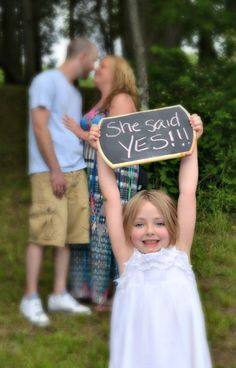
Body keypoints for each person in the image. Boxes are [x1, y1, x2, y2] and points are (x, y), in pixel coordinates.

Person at [90, 114, 212, 367]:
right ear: (127, 228)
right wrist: (101, 151)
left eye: (159, 223)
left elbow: (188, 191)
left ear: (173, 225)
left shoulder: (180, 254)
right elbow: (112, 198)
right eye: (139, 224)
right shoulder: (127, 259)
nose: (149, 232)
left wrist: (191, 143)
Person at [19, 37, 98, 327]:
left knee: (66, 236)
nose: (95, 65)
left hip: (75, 170)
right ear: (83, 57)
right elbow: (39, 126)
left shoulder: (75, 94)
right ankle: (30, 297)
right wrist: (54, 170)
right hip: (50, 171)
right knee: (43, 233)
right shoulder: (46, 80)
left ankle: (58, 294)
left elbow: (69, 131)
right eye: (94, 59)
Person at [63, 55, 140, 311]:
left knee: (110, 229)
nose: (97, 68)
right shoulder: (105, 100)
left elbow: (115, 141)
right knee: (95, 229)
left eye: (103, 66)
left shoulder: (121, 99)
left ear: (117, 72)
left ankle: (115, 295)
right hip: (94, 173)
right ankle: (91, 289)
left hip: (113, 176)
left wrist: (80, 132)